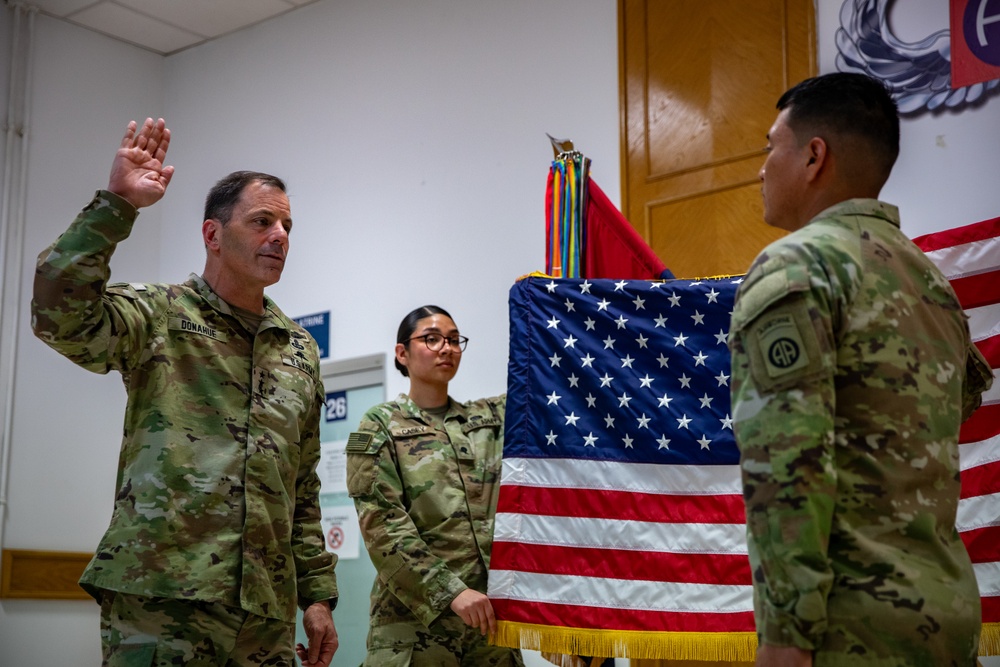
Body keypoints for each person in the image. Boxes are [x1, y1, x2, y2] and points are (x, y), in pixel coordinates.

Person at [31, 118, 339, 667]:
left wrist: (316, 595)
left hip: (264, 611)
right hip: (162, 598)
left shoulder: (298, 348)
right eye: (262, 220)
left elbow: (303, 485)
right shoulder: (159, 314)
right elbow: (60, 314)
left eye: (289, 225)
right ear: (212, 235)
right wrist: (116, 206)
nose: (280, 236)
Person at [728, 73, 994, 666]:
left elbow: (789, 464)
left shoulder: (796, 265)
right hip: (945, 618)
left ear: (814, 155)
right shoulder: (929, 281)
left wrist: (784, 636)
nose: (762, 167)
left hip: (849, 632)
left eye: (772, 146)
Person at [346, 305, 523, 666]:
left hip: (489, 628)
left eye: (455, 340)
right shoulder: (380, 425)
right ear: (402, 353)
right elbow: (383, 526)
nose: (446, 348)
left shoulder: (488, 419)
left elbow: (542, 387)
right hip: (414, 628)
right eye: (432, 339)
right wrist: (451, 593)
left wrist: (539, 303)